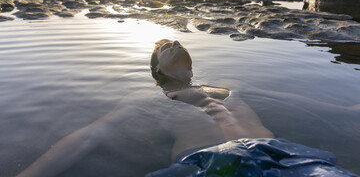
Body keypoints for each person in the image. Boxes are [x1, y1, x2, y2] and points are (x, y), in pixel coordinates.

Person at [17, 39, 357, 177]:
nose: (175, 44)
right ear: (158, 69)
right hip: (208, 163)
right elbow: (88, 137)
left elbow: (291, 99)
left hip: (283, 157)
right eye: (165, 48)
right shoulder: (146, 98)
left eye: (177, 44)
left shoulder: (229, 87)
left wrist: (345, 109)